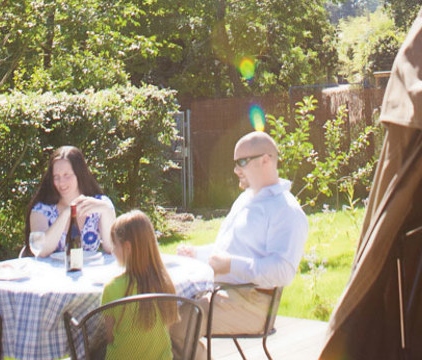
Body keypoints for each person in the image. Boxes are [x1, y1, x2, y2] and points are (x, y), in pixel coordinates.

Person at [177, 130, 308, 349]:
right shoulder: (247, 198)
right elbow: (230, 250)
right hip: (225, 293)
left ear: (266, 160)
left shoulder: (285, 210)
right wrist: (197, 254)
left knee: (175, 324)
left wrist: (230, 265)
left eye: (242, 162)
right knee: (160, 314)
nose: (236, 169)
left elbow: (283, 272)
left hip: (253, 305)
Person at [100, 210, 177, 360]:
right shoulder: (166, 283)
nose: (113, 251)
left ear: (127, 247)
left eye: (115, 245)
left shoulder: (112, 288)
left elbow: (110, 337)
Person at [25, 144, 116, 257]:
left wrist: (106, 210)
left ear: (79, 174)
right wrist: (66, 213)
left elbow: (111, 248)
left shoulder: (100, 204)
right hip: (52, 274)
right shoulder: (41, 210)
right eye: (56, 177)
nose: (61, 182)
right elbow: (41, 251)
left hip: (90, 273)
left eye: (67, 175)